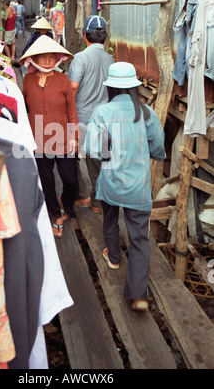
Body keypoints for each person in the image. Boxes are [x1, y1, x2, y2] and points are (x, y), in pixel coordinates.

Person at [84, 62, 166, 312]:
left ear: (111, 88)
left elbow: (93, 150)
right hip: (138, 186)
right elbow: (158, 148)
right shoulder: (146, 113)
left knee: (109, 219)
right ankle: (139, 295)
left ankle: (115, 258)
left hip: (111, 182)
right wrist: (152, 153)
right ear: (134, 88)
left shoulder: (101, 112)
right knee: (140, 238)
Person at [19, 35, 79, 239]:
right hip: (38, 138)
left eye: (50, 57)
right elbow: (23, 108)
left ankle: (66, 205)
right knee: (46, 180)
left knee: (70, 179)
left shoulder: (63, 80)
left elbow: (72, 110)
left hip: (62, 136)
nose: (46, 61)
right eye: (42, 57)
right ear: (34, 60)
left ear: (57, 59)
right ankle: (54, 214)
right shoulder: (28, 80)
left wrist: (73, 136)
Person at [68, 15, 114, 213]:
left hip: (81, 118)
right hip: (104, 119)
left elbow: (72, 87)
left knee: (71, 157)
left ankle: (80, 195)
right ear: (105, 37)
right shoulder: (111, 59)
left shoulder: (81, 58)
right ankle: (97, 201)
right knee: (97, 161)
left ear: (84, 35)